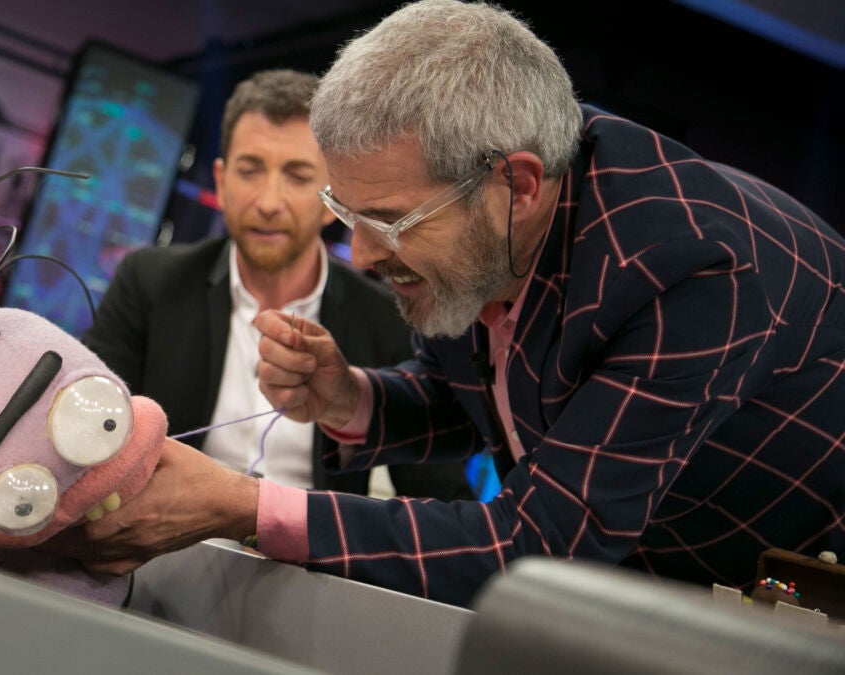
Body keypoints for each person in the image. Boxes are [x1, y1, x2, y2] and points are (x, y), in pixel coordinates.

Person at [48, 0, 845, 608]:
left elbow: (536, 543)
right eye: (345, 212)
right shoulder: (509, 209)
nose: (361, 255)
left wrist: (245, 506)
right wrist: (351, 396)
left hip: (795, 589)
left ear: (517, 184)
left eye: (389, 222)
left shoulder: (688, 270)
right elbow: (476, 390)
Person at [83, 69, 473, 501]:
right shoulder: (150, 282)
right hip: (165, 530)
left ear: (334, 200)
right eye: (250, 171)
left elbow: (439, 496)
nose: (269, 202)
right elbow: (89, 431)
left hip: (313, 541)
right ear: (221, 183)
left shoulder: (389, 317)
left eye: (297, 176)